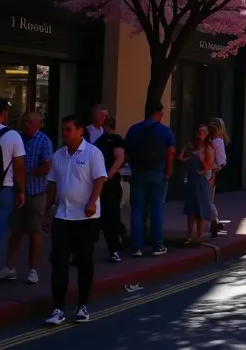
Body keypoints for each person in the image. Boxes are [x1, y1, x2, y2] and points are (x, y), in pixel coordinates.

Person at [42, 116, 106, 325]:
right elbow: (52, 184)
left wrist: (92, 202)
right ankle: (58, 308)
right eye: (63, 129)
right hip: (62, 216)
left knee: (84, 261)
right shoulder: (59, 155)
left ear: (80, 131)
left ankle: (82, 306)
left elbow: (100, 179)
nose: (64, 133)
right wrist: (47, 212)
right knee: (59, 263)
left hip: (85, 218)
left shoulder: (92, 153)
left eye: (68, 129)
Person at [0, 112, 51, 286]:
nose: (25, 124)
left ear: (38, 124)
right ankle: (9, 266)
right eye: (24, 120)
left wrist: (27, 172)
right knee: (16, 231)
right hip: (17, 192)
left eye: (29, 122)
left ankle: (33, 270)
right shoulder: (16, 137)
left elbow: (47, 166)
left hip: (36, 193)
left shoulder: (44, 141)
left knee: (35, 232)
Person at [124, 99, 175, 257]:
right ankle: (157, 245)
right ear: (160, 113)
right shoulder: (165, 131)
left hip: (138, 174)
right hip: (158, 174)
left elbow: (126, 153)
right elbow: (170, 152)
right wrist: (168, 171)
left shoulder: (133, 129)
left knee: (137, 210)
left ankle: (136, 246)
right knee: (156, 209)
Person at [91, 114, 126, 262]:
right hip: (99, 182)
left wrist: (109, 173)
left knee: (110, 216)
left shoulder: (115, 139)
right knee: (97, 217)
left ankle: (114, 249)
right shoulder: (98, 141)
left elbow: (119, 158)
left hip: (109, 183)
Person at [178, 124, 215, 245]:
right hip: (191, 180)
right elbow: (182, 159)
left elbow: (208, 167)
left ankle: (199, 236)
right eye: (199, 131)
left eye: (204, 131)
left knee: (200, 209)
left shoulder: (208, 148)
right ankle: (189, 235)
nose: (201, 133)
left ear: (207, 134)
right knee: (190, 209)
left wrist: (201, 159)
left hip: (201, 180)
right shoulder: (193, 147)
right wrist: (184, 148)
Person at [206, 117, 229, 237]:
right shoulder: (210, 140)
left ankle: (214, 220)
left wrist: (214, 171)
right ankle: (214, 222)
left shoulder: (217, 142)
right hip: (208, 171)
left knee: (207, 199)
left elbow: (221, 161)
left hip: (210, 172)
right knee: (207, 198)